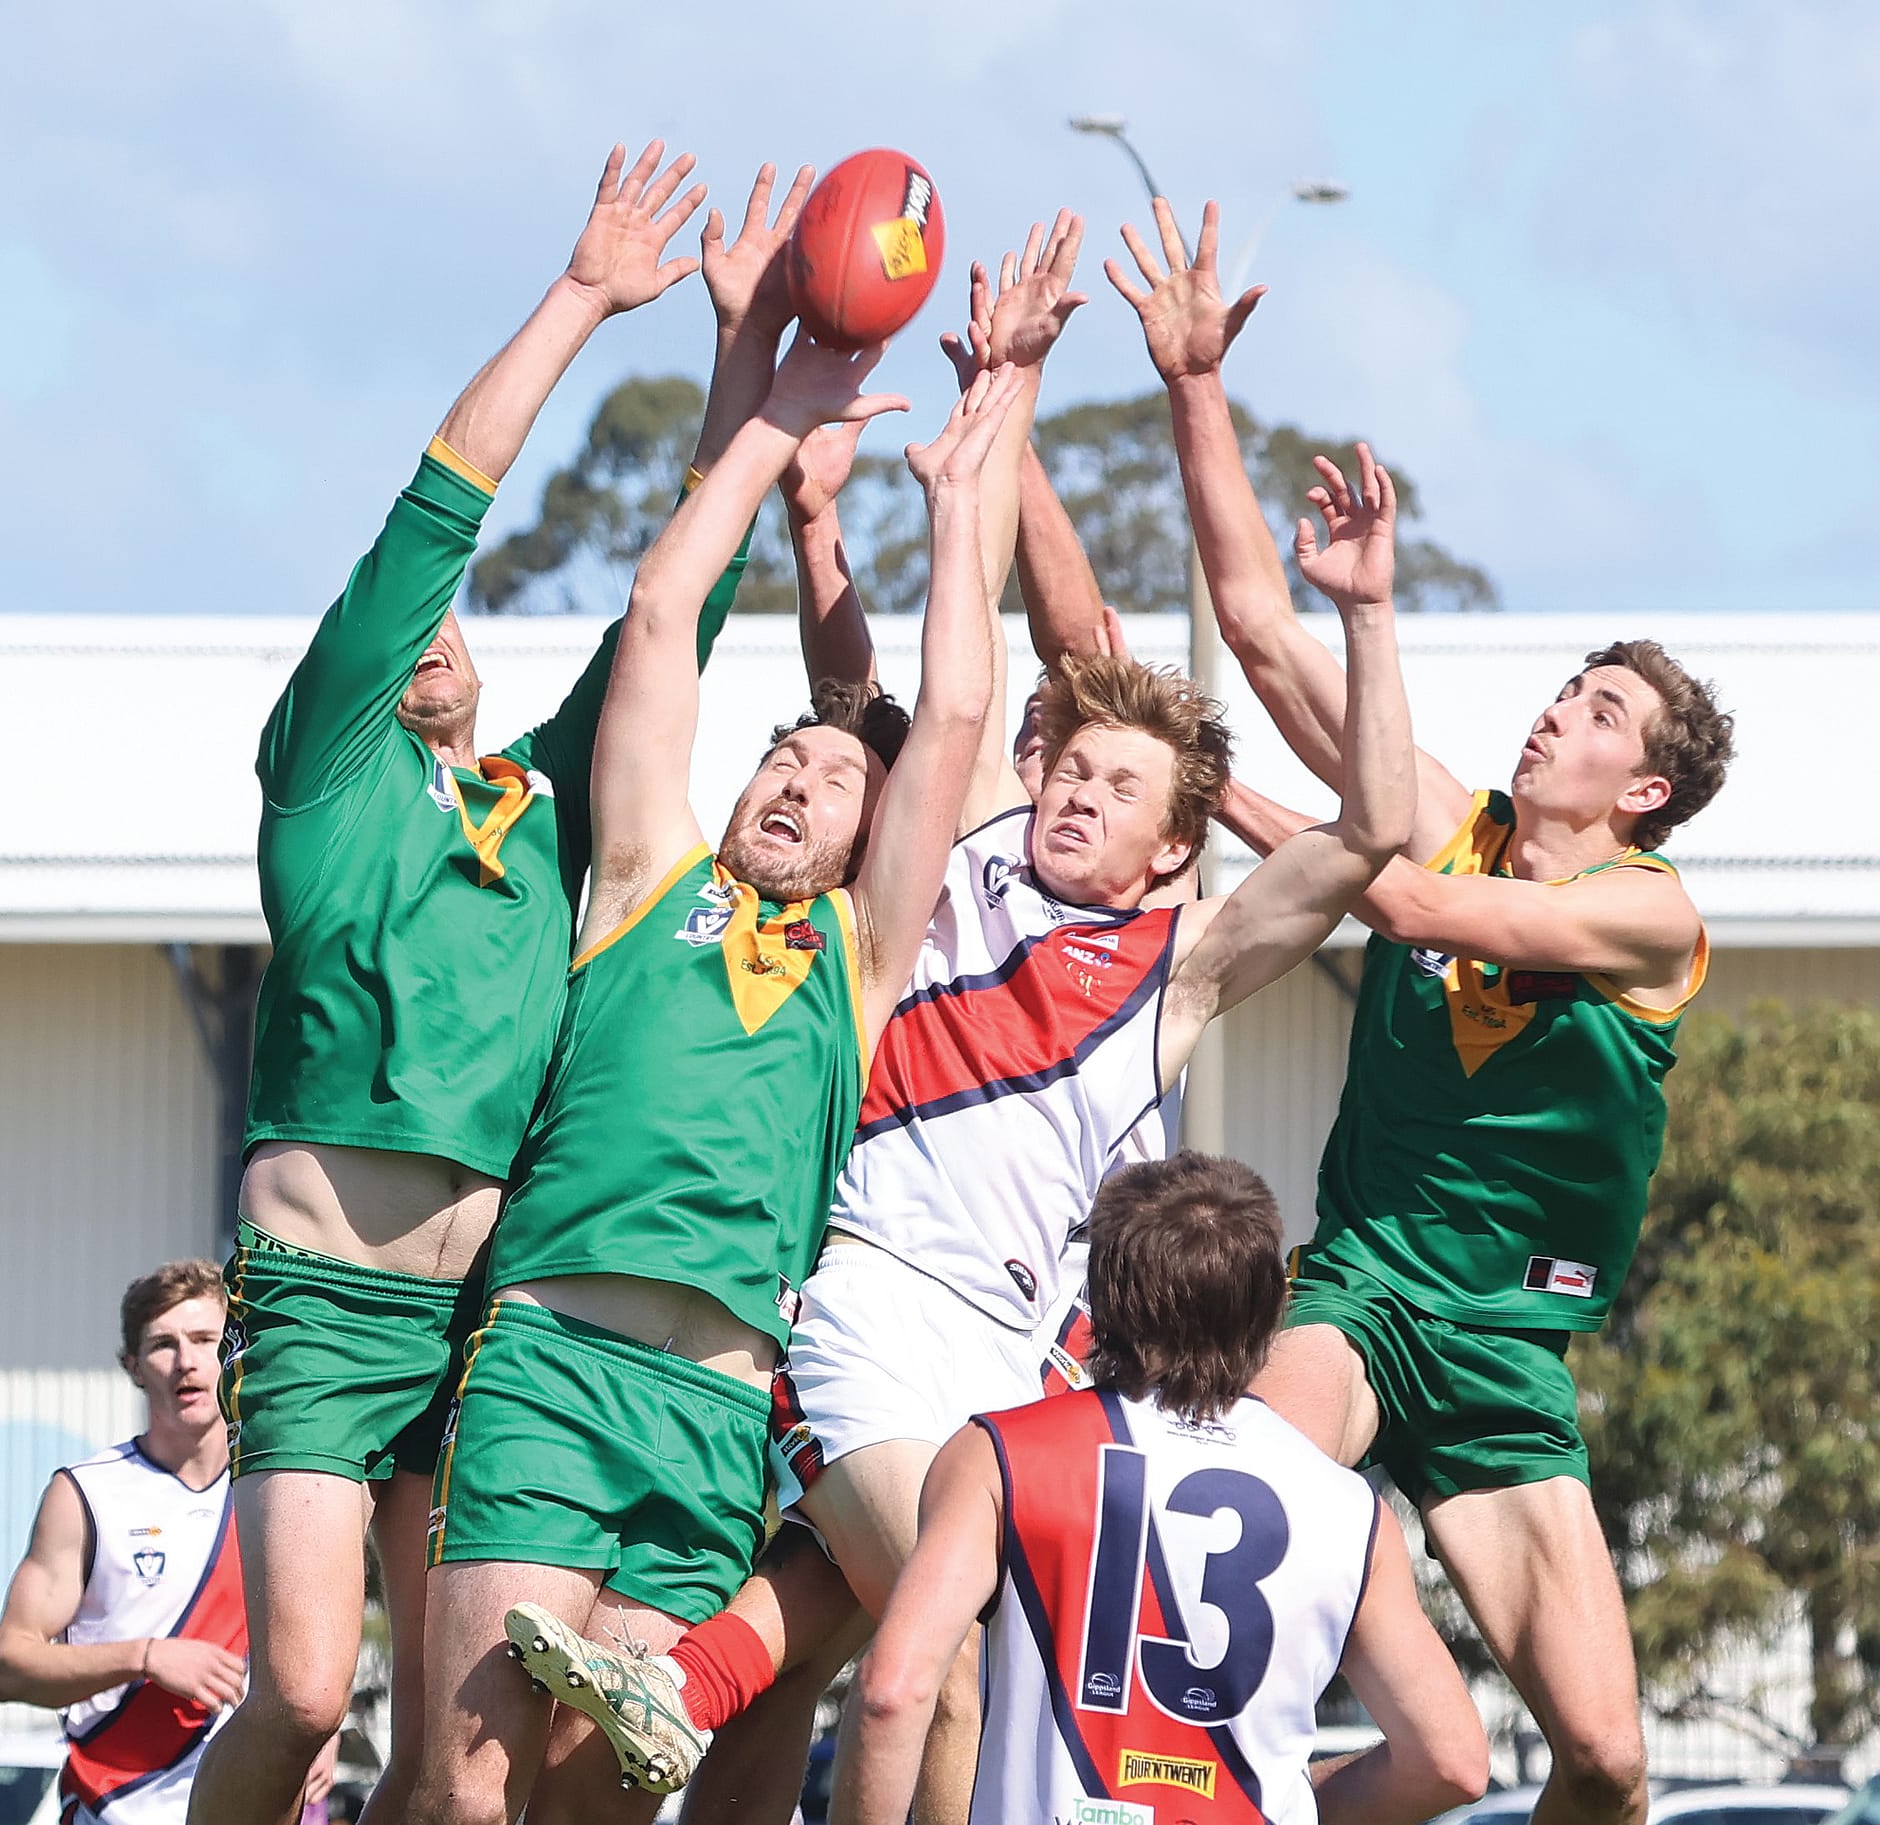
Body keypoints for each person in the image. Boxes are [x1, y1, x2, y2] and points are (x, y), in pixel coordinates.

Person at [530, 209, 1421, 1825]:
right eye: (1069, 765)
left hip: (1026, 1351)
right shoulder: (944, 863)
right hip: (867, 1300)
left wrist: (1361, 613)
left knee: (897, 1675)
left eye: (1120, 786)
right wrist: (976, 420)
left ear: (1174, 842)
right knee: (949, 1648)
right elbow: (886, 699)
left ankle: (703, 1681)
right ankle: (701, 1679)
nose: (1080, 793)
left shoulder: (1184, 959)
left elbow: (1371, 839)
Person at [192, 142, 809, 1825]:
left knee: (453, 1772)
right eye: (412, 621)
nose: (439, 622)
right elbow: (435, 510)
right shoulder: (330, 779)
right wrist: (588, 297)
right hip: (327, 1305)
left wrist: (744, 358)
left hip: (490, 1328)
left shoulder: (551, 817)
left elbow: (676, 618)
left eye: (463, 613)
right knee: (307, 1695)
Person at [1115, 195, 1735, 1825]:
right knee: (1233, 1494)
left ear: (1648, 783)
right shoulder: (1442, 815)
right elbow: (1255, 623)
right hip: (1369, 1290)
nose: (1560, 713)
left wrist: (1341, 725)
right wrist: (1195, 387)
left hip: (1512, 1350)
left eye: (1600, 710)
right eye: (1564, 688)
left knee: (1603, 1765)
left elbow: (1403, 895)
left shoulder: (1649, 918)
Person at [403, 333, 1026, 1825]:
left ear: (870, 840)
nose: (795, 783)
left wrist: (952, 499)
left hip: (714, 1415)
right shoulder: (643, 873)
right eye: (783, 761)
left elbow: (948, 719)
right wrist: (773, 427)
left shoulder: (861, 961)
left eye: (830, 779)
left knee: (598, 1808)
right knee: (468, 1792)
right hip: (555, 1363)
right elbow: (662, 608)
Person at [830, 1153, 1489, 1825]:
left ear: (1104, 1298)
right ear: (1270, 1312)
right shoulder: (1351, 1512)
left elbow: (893, 1693)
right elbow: (1452, 1760)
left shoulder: (999, 1454)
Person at [0, 1263, 332, 1824]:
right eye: (163, 1345)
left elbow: (320, 1641)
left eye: (204, 1340)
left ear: (235, 1351)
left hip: (257, 1803)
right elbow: (7, 1667)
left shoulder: (284, 1491)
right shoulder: (86, 1493)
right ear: (133, 1368)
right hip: (118, 1808)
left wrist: (324, 1724)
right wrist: (144, 1656)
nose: (187, 1361)